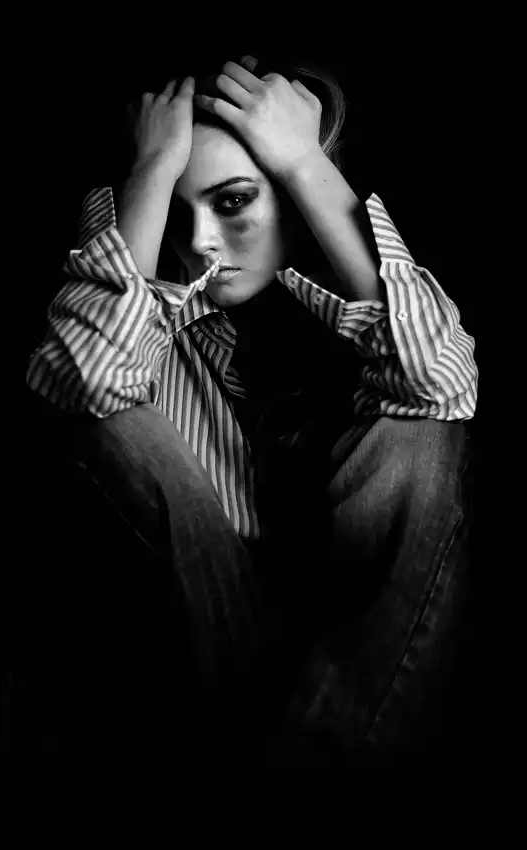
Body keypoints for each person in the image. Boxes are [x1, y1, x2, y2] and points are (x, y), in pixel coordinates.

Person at [25, 53, 478, 769]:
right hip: (205, 671)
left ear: (294, 201)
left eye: (233, 201)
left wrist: (304, 163)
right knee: (109, 416)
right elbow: (84, 381)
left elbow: (436, 378)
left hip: (368, 678)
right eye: (175, 210)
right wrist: (149, 171)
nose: (198, 242)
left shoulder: (358, 330)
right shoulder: (146, 333)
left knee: (420, 428)